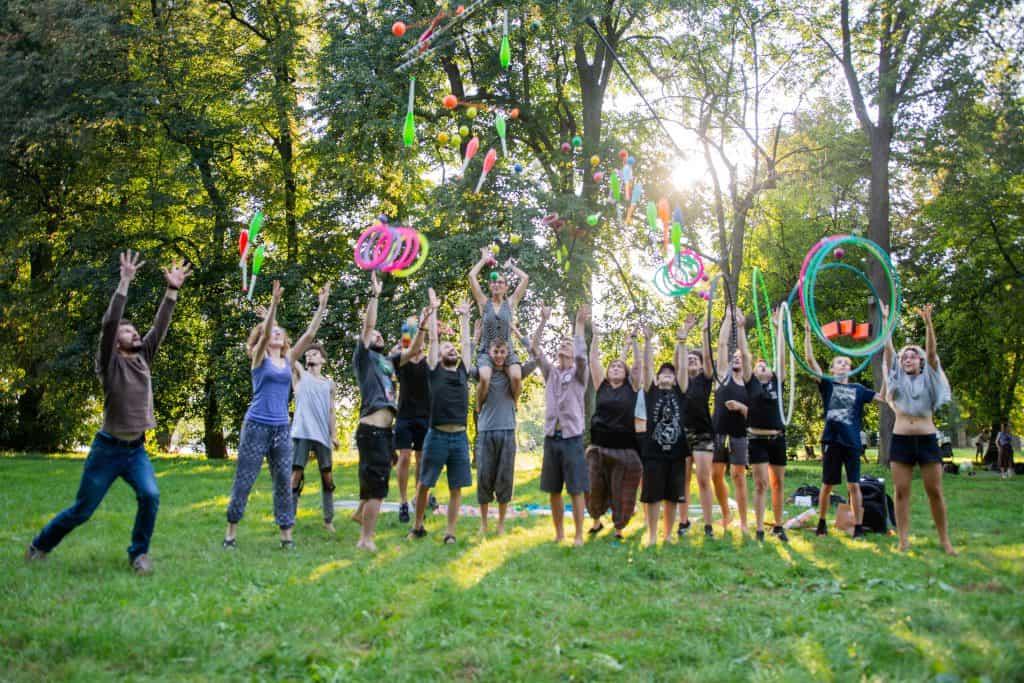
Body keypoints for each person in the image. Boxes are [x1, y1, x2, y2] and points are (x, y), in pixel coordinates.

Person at [26, 251, 191, 575]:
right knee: (82, 510)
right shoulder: (109, 362)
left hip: (136, 450)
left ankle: (138, 555)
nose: (134, 334)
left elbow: (161, 325)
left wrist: (172, 291)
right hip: (107, 450)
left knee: (150, 495)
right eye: (127, 332)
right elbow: (110, 323)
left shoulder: (144, 357)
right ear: (115, 343)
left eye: (134, 332)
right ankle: (39, 546)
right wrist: (125, 282)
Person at [224, 281, 329, 550]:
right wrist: (273, 304)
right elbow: (268, 329)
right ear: (265, 337)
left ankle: (286, 536)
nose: (278, 334)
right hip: (256, 425)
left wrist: (322, 305)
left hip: (282, 427)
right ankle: (231, 533)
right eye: (273, 332)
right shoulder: (259, 358)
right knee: (245, 478)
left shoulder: (290, 360)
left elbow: (309, 335)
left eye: (281, 333)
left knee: (283, 479)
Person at [352, 273, 435, 552]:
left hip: (384, 430)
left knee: (377, 482)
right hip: (372, 428)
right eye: (373, 334)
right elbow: (369, 324)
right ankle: (366, 539)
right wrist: (375, 295)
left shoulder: (388, 361)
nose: (377, 334)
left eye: (379, 334)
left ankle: (362, 524)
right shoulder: (364, 358)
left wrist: (422, 325)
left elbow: (414, 351)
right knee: (377, 487)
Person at [882, 303, 957, 554]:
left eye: (913, 355)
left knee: (934, 491)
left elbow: (933, 354)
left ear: (921, 361)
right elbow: (889, 352)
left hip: (926, 439)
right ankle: (903, 540)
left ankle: (944, 540)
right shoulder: (897, 378)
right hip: (901, 440)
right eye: (905, 357)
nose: (907, 359)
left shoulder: (930, 377)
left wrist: (928, 324)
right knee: (901, 492)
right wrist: (886, 323)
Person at [804, 317, 886, 539]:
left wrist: (887, 372)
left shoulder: (859, 389)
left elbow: (883, 397)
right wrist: (807, 332)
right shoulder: (827, 384)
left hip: (852, 443)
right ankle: (822, 524)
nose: (843, 365)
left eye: (846, 364)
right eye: (839, 363)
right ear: (831, 368)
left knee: (854, 485)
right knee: (827, 485)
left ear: (851, 368)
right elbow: (810, 360)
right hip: (832, 440)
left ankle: (858, 527)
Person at [408, 293, 473, 544]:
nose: (453, 348)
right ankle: (417, 526)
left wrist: (465, 317)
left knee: (456, 488)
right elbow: (434, 340)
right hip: (436, 436)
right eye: (448, 347)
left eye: (453, 347)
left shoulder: (463, 372)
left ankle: (450, 532)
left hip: (459, 437)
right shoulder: (434, 371)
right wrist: (433, 310)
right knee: (425, 484)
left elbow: (466, 345)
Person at [531, 304, 590, 546]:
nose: (564, 347)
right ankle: (559, 533)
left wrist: (578, 325)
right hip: (551, 438)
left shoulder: (579, 374)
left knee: (575, 489)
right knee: (553, 490)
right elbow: (534, 348)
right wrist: (543, 321)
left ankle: (578, 535)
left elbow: (581, 355)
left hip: (572, 439)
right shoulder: (551, 373)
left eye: (568, 344)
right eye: (562, 344)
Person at [473, 332, 538, 536]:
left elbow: (536, 358)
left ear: (507, 352)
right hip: (485, 432)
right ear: (489, 353)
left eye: (502, 351)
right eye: (495, 351)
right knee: (484, 478)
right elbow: (465, 365)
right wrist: (475, 339)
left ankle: (500, 524)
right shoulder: (482, 373)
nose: (499, 355)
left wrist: (523, 336)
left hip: (508, 431)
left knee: (504, 478)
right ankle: (484, 524)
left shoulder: (514, 375)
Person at [639, 317, 695, 545]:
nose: (667, 375)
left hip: (676, 453)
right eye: (664, 373)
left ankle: (669, 534)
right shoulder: (651, 391)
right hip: (653, 452)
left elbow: (681, 367)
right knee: (652, 496)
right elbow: (647, 366)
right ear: (658, 377)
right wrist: (648, 341)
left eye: (671, 374)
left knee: (673, 496)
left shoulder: (680, 392)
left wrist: (682, 341)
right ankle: (652, 534)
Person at [585, 328, 643, 541]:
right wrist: (597, 337)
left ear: (626, 373)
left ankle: (619, 528)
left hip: (625, 450)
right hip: (598, 448)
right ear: (607, 372)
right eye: (613, 366)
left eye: (620, 366)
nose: (616, 367)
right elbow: (593, 360)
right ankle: (596, 522)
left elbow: (638, 365)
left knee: (622, 490)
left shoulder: (631, 387)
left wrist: (635, 341)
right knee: (594, 486)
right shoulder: (602, 385)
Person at [746, 308, 789, 543]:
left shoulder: (777, 383)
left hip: (777, 438)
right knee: (761, 484)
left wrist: (777, 328)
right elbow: (744, 355)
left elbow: (781, 356)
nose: (762, 365)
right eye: (758, 364)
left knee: (778, 483)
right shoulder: (750, 384)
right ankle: (760, 527)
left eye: (765, 364)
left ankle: (779, 525)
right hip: (757, 439)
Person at [468, 248, 529, 403]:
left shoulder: (511, 303)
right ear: (490, 286)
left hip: (507, 350)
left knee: (516, 377)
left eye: (501, 282)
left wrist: (510, 267)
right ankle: (479, 407)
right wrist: (483, 260)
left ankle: (514, 403)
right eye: (494, 281)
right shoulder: (483, 302)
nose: (497, 284)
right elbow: (471, 276)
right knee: (485, 379)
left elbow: (525, 278)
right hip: (486, 351)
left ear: (505, 287)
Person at [290, 343, 339, 533]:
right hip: (302, 432)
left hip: (322, 435)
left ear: (322, 360)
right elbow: (290, 354)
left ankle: (328, 520)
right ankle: (289, 519)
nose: (310, 356)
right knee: (295, 476)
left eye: (315, 354)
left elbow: (331, 411)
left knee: (327, 477)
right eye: (308, 354)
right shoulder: (299, 375)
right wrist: (274, 325)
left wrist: (333, 435)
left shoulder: (329, 384)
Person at [712, 307, 753, 533]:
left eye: (740, 357)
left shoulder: (748, 384)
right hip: (719, 432)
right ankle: (727, 514)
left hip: (739, 435)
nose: (737, 359)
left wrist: (741, 407)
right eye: (734, 357)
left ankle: (745, 522)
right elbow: (721, 345)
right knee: (715, 475)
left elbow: (753, 415)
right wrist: (728, 319)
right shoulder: (721, 377)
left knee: (738, 476)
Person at [389, 317, 432, 524]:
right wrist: (410, 325)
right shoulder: (401, 359)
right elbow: (408, 344)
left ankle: (418, 498)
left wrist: (428, 318)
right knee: (404, 456)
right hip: (405, 415)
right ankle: (403, 501)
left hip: (425, 416)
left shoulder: (429, 361)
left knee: (421, 459)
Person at [682, 317, 717, 539]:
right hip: (682, 434)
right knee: (683, 480)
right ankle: (683, 522)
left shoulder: (705, 379)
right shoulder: (679, 380)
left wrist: (704, 332)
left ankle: (708, 525)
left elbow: (709, 359)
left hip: (703, 433)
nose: (692, 360)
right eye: (689, 358)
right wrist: (684, 332)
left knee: (704, 478)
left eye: (696, 358)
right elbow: (680, 351)